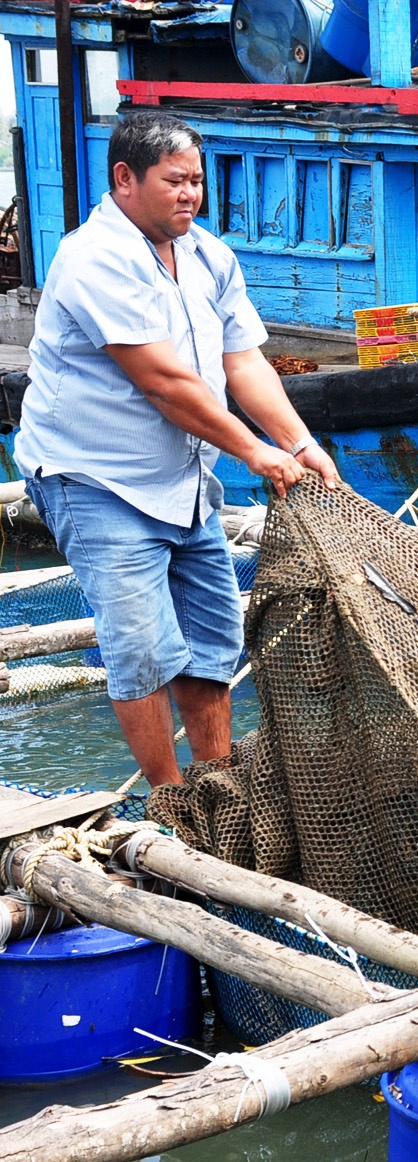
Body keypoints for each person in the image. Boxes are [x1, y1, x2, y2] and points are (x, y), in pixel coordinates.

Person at [16, 111, 341, 789]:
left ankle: (215, 788)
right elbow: (163, 383)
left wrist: (298, 441)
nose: (191, 193)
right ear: (125, 179)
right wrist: (256, 453)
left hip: (184, 479)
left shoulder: (208, 255)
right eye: (176, 181)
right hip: (97, 479)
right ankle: (171, 802)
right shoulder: (93, 255)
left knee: (211, 642)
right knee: (140, 647)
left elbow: (244, 363)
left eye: (197, 181)